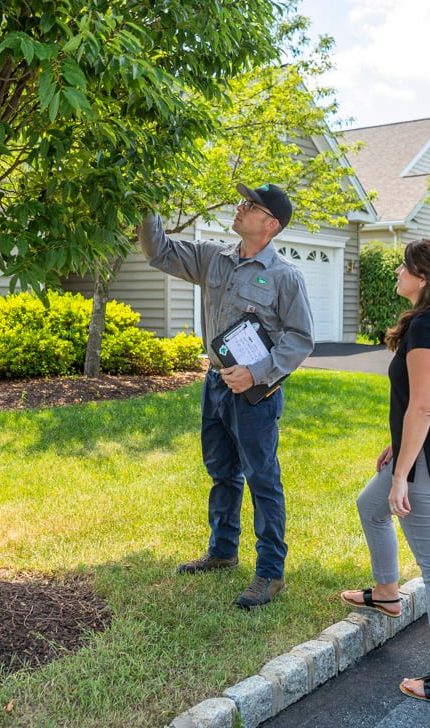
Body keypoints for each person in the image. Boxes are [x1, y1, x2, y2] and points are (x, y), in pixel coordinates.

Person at [138, 183, 315, 609]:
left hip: (256, 393)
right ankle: (222, 551)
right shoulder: (211, 257)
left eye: (250, 206)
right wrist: (145, 205)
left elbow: (301, 340)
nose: (239, 208)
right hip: (215, 384)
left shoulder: (285, 276)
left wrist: (256, 372)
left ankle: (270, 572)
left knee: (262, 478)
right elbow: (158, 251)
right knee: (221, 472)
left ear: (270, 225)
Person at [339, 236, 430, 708]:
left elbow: (422, 406)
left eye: (404, 267)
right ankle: (385, 592)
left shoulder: (426, 328)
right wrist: (398, 445)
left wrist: (403, 472)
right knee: (369, 505)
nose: (397, 273)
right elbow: (428, 401)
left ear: (423, 277)